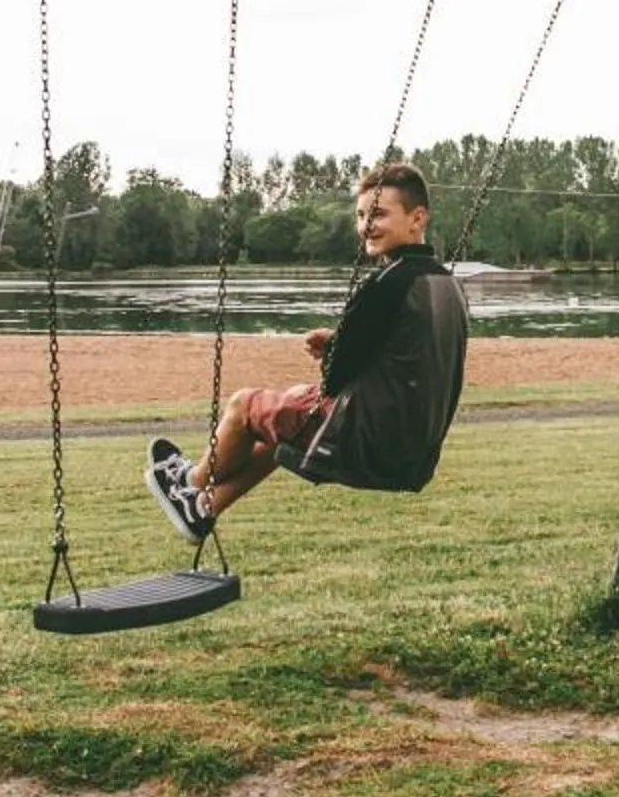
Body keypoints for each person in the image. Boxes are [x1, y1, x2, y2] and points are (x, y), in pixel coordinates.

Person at [146, 161, 467, 540]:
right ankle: (204, 508)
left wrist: (334, 352)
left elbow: (334, 381)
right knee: (287, 415)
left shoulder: (387, 284)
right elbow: (410, 353)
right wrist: (340, 341)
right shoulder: (448, 285)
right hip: (414, 449)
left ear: (418, 218)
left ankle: (190, 481)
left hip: (362, 440)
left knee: (244, 405)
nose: (366, 225)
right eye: (361, 215)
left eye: (378, 214)